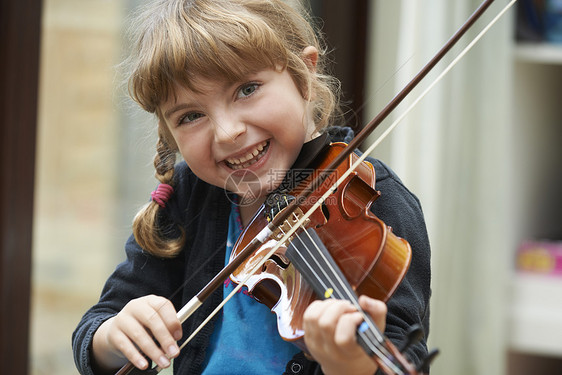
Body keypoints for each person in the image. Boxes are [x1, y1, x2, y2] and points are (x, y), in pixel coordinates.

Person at [72, 0, 431, 374]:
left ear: (304, 75)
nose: (229, 132)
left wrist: (350, 364)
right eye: (191, 116)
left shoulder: (371, 197)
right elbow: (98, 329)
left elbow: (404, 353)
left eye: (247, 89)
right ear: (169, 132)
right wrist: (115, 336)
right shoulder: (190, 197)